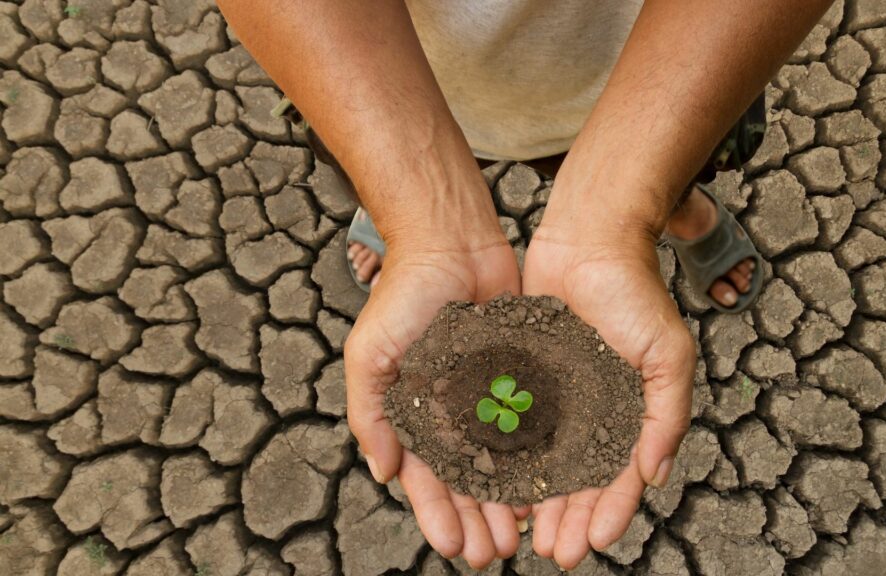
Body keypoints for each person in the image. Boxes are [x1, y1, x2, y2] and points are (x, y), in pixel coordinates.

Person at [218, 0, 833, 570]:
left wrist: (617, 215)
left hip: (666, 79)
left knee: (667, 178)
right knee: (382, 179)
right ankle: (405, 214)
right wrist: (420, 215)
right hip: (381, 80)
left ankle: (670, 210)